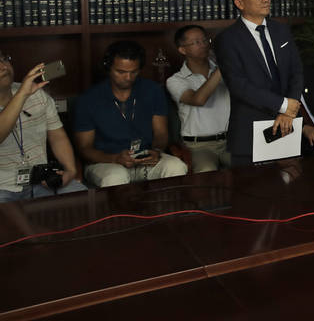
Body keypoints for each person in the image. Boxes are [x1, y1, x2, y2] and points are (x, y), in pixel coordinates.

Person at [215, 0, 304, 167]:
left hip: (287, 126)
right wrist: (282, 105)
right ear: (239, 2)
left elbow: (296, 71)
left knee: (288, 190)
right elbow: (238, 84)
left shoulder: (281, 30)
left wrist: (289, 110)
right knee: (251, 192)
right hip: (249, 131)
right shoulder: (228, 39)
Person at [73, 40, 187, 187]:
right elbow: (84, 149)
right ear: (108, 68)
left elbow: (161, 133)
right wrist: (115, 158)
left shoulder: (152, 90)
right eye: (121, 72)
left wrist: (156, 151)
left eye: (134, 72)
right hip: (106, 161)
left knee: (175, 167)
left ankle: (167, 210)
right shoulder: (88, 99)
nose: (128, 78)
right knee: (115, 177)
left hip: (144, 158)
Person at [0, 51, 86, 201]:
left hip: (42, 181)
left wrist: (70, 170)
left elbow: (57, 136)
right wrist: (22, 95)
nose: (3, 66)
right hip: (3, 188)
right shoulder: (26, 92)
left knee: (84, 199)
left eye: (3, 59)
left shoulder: (36, 94)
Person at [166, 25, 230, 172]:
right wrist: (223, 67)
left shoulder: (223, 71)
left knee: (249, 167)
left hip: (229, 141)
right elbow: (198, 99)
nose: (203, 45)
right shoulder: (176, 80)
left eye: (205, 40)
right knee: (205, 171)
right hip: (199, 146)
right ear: (182, 50)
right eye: (196, 42)